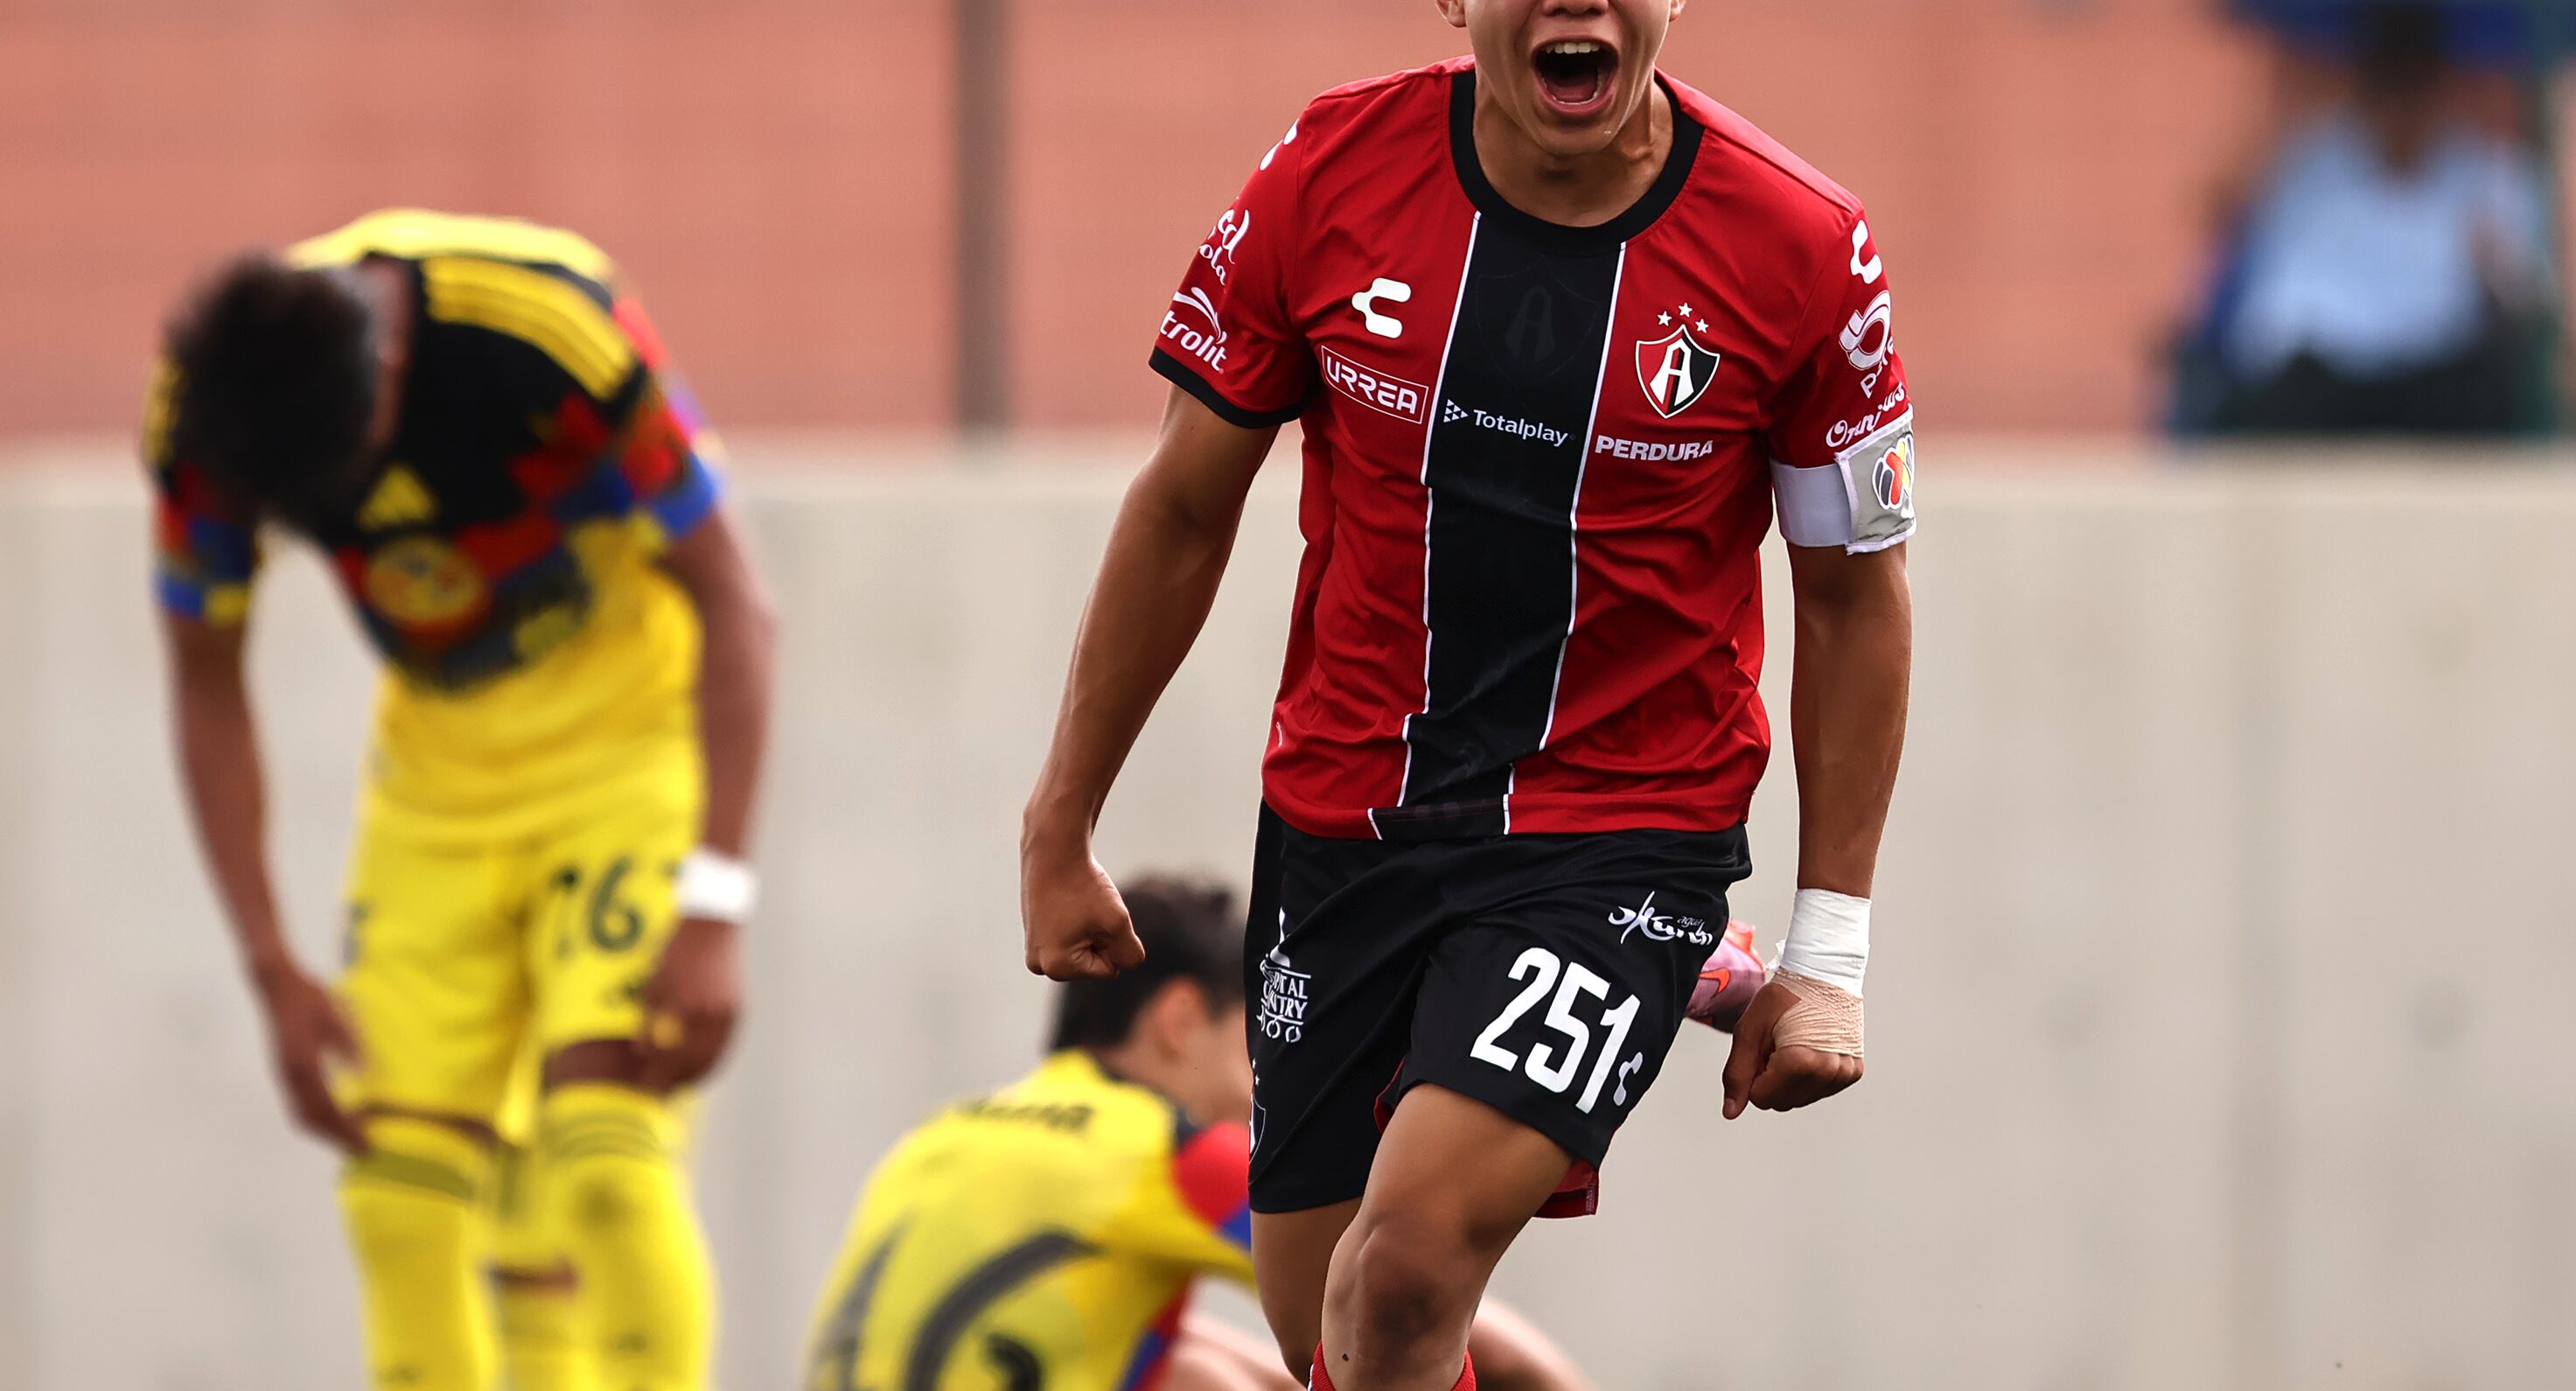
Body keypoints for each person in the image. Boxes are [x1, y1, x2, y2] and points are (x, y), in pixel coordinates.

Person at [1019, 0, 1916, 1391]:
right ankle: (1682, 977)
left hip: (1616, 832)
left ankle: (1675, 949)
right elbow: (1178, 510)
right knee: (1325, 1338)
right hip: (1346, 825)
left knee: (1411, 1272)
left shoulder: (1801, 246)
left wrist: (1830, 954)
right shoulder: (1325, 176)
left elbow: (1853, 590)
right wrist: (1060, 817)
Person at [147, 209, 775, 1391]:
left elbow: (738, 605)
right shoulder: (206, 426)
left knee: (604, 1161)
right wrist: (271, 962)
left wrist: (715, 897)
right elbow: (204, 675)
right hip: (435, 787)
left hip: (621, 746)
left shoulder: (552, 320)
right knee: (396, 1195)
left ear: (390, 375)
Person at [804, 876, 1616, 1391]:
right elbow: (1457, 1330)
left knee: (1186, 1351)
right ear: (1180, 1017)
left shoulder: (944, 1133)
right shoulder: (1162, 1151)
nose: (1262, 1086)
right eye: (1253, 1048)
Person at [2193, 0, 2551, 435]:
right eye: (2384, 83)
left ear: (2442, 86)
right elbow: (2221, 214)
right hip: (2316, 379)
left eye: (2412, 82)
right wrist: (2283, 106)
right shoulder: (2308, 160)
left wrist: (2492, 266)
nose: (2399, 104)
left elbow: (2526, 296)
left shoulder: (2486, 177)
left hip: (2436, 384)